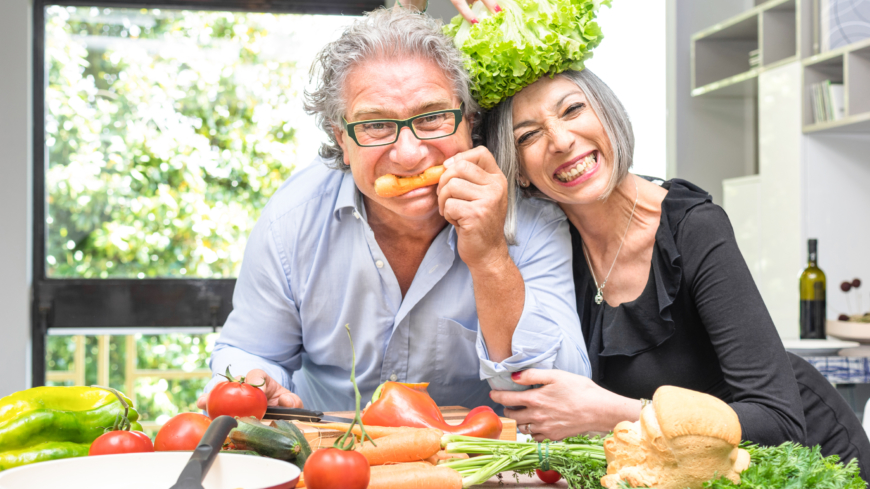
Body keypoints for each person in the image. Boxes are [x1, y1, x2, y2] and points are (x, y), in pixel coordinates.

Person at [477, 68, 870, 476]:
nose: (560, 141)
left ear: (608, 116)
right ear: (517, 169)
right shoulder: (547, 251)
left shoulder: (693, 227)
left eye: (573, 109)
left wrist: (614, 413)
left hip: (807, 465)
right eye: (528, 135)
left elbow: (778, 423)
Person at [195, 7, 590, 413]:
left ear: (469, 122)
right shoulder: (291, 220)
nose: (407, 154)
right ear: (342, 141)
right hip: (330, 458)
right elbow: (252, 352)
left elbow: (562, 395)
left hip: (468, 464)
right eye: (376, 126)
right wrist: (254, 381)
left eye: (433, 117)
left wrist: (490, 257)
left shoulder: (532, 220)